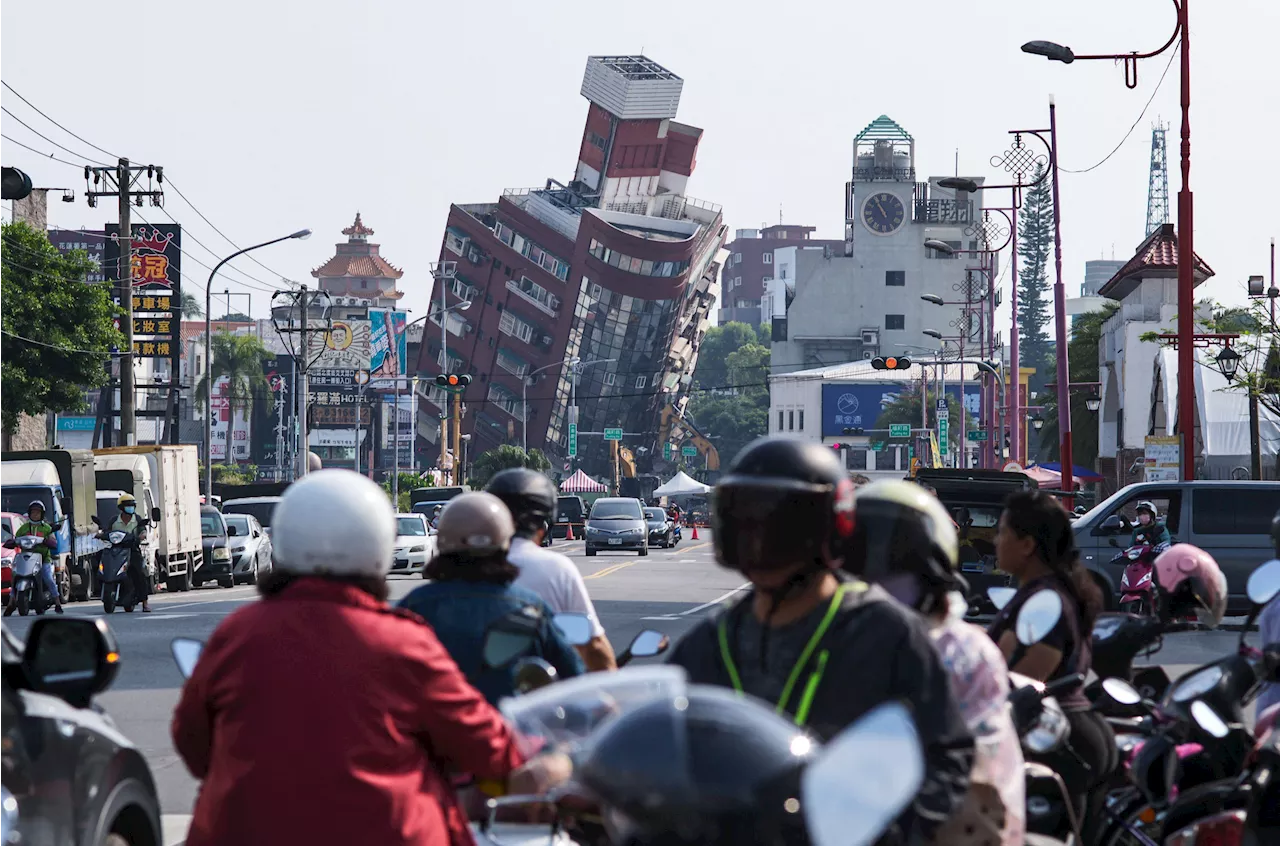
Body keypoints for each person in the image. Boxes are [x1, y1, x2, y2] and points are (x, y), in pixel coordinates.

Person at [172, 470, 569, 846]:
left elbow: (192, 743)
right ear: (378, 547)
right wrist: (551, 762)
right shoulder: (402, 641)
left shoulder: (236, 633)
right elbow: (489, 748)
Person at [666, 437, 973, 844]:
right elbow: (665, 754)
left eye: (777, 524)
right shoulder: (708, 643)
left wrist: (889, 829)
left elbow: (946, 755)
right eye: (745, 520)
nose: (758, 538)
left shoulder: (886, 633)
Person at [845, 480, 1024, 846]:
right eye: (865, 557)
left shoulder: (963, 652)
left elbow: (978, 769)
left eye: (896, 562)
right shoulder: (824, 640)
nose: (878, 583)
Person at [988, 489, 1118, 842]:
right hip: (1069, 734)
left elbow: (1027, 678)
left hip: (1060, 742)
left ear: (1027, 544)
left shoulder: (1045, 600)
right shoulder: (1047, 591)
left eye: (1002, 533)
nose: (996, 541)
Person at [398, 491, 584, 703]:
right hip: (512, 732)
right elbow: (576, 683)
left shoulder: (414, 607)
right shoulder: (530, 608)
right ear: (504, 542)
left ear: (442, 542)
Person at [485, 469, 617, 671]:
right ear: (546, 524)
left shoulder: (460, 567)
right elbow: (594, 645)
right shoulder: (556, 568)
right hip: (542, 692)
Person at [3, 501, 62, 615]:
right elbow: (16, 537)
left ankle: (57, 602)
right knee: (15, 576)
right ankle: (11, 603)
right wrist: (11, 542)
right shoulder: (24, 528)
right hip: (26, 558)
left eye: (38, 512)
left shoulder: (46, 528)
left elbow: (54, 542)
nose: (35, 515)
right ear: (29, 513)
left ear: (42, 514)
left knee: (48, 579)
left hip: (43, 559)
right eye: (33, 512)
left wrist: (47, 541)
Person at [103, 493, 152, 612]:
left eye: (132, 505)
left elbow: (142, 531)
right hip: (116, 550)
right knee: (104, 566)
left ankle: (145, 603)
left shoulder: (138, 519)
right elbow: (107, 531)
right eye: (128, 505)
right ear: (121, 508)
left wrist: (142, 535)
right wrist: (101, 535)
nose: (131, 508)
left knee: (139, 574)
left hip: (132, 550)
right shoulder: (114, 520)